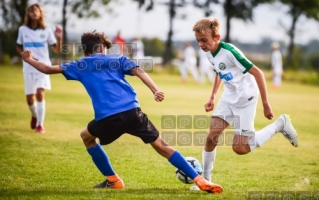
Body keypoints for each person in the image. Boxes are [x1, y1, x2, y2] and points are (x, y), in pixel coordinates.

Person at [20, 30, 223, 194]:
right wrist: (155, 90)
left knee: (86, 137)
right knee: (162, 145)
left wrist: (29, 59)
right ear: (100, 47)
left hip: (108, 118)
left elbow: (46, 69)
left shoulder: (79, 65)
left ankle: (113, 180)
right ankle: (200, 179)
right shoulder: (117, 59)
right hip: (133, 112)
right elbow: (139, 71)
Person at [191, 18, 298, 188]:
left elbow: (259, 73)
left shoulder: (230, 51)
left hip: (246, 99)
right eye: (198, 41)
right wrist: (212, 96)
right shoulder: (208, 52)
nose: (201, 44)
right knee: (211, 137)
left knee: (240, 149)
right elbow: (220, 72)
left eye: (204, 40)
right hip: (228, 98)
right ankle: (205, 181)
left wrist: (266, 104)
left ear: (216, 37)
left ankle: (280, 124)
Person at [16, 3, 62, 133]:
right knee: (30, 99)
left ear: (40, 13)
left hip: (43, 67)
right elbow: (19, 46)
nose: (34, 13)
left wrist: (59, 37)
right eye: (31, 11)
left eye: (36, 10)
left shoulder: (46, 31)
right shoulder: (22, 30)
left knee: (40, 94)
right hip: (28, 67)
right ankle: (35, 115)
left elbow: (57, 50)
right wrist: (24, 55)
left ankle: (40, 125)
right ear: (28, 14)